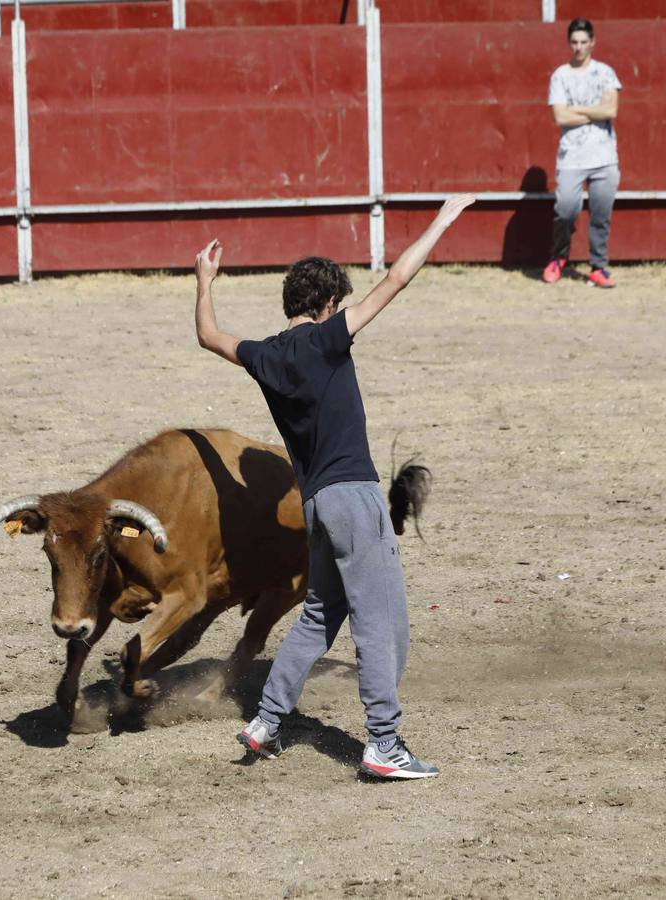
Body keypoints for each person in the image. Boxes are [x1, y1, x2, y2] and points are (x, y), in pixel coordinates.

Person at [193, 194, 476, 780]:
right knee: (379, 622)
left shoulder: (264, 356)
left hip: (318, 504)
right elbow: (397, 278)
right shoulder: (328, 337)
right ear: (325, 305)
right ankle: (383, 743)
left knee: (319, 615)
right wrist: (444, 220)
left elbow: (208, 335)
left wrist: (205, 281)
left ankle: (265, 722)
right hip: (354, 498)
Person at [543, 18, 622, 289]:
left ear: (592, 43)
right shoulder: (560, 75)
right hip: (572, 157)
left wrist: (576, 110)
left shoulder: (606, 73)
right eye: (574, 42)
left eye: (583, 42)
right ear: (569, 43)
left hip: (604, 157)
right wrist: (593, 110)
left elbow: (610, 111)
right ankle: (559, 256)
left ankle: (598, 267)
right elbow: (560, 117)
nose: (578, 47)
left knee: (601, 214)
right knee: (565, 210)